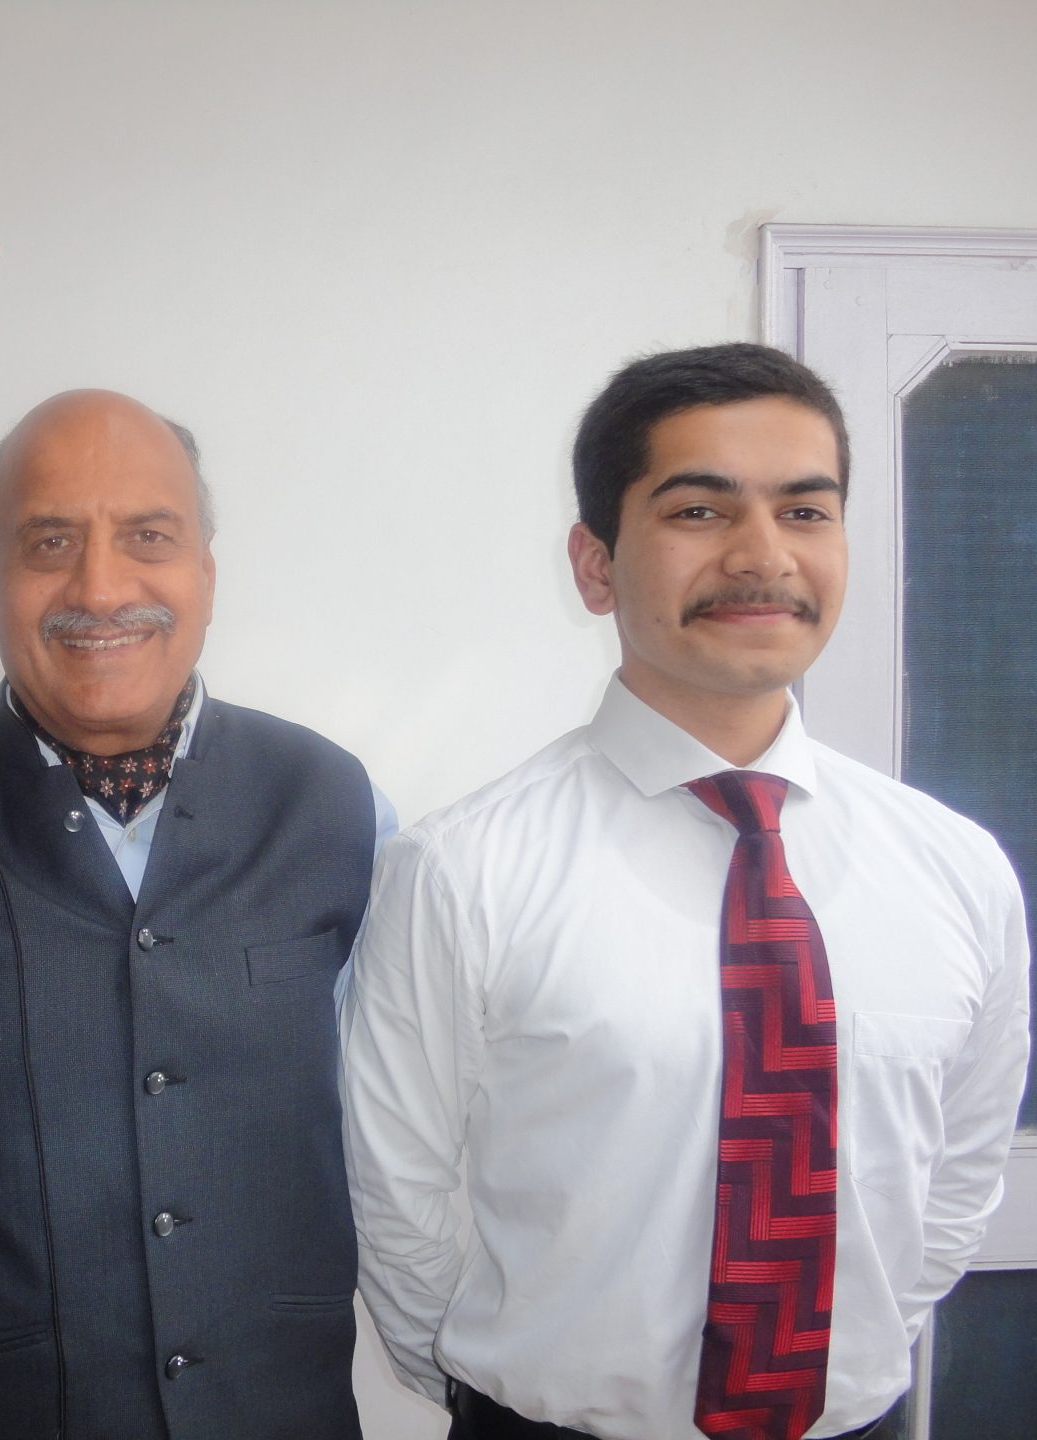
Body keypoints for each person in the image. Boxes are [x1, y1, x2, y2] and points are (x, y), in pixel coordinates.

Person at [342, 343, 1030, 1440]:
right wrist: (496, 1388)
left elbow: (958, 1176)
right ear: (595, 565)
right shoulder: (463, 869)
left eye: (806, 512)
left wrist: (851, 1361)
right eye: (700, 511)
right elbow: (397, 1192)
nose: (763, 556)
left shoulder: (956, 871)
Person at [0, 389, 397, 1440]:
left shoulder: (340, 806)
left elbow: (381, 1122)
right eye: (50, 542)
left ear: (205, 572)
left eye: (148, 536)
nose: (100, 588)